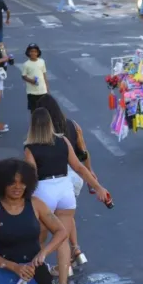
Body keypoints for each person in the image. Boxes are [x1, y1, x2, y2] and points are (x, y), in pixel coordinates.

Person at [23, 108, 110, 284]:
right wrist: (98, 187)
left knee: (39, 238)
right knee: (62, 237)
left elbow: (31, 175)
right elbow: (78, 167)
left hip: (43, 191)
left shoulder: (30, 148)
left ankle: (38, 276)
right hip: (65, 188)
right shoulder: (63, 141)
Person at [35, 94, 96, 269]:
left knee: (53, 224)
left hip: (55, 177)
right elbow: (83, 151)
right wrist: (90, 172)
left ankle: (64, 265)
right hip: (76, 176)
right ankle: (76, 251)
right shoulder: (73, 125)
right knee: (66, 216)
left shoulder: (42, 130)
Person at [21, 43, 48, 114]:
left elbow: (44, 74)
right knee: (33, 110)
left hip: (42, 91)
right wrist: (31, 81)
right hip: (32, 92)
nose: (33, 53)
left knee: (44, 110)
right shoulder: (26, 64)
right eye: (31, 51)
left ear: (38, 53)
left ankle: (43, 124)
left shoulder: (42, 61)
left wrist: (47, 88)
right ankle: (33, 124)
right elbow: (23, 76)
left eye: (35, 51)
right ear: (28, 53)